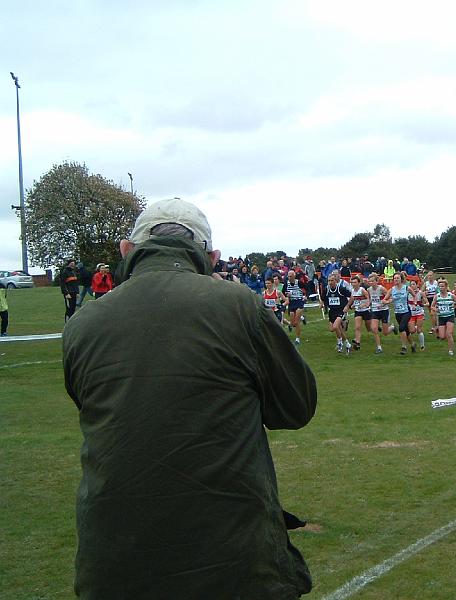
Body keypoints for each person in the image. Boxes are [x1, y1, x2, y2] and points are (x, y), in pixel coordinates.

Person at [62, 198, 317, 598]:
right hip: (233, 561)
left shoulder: (82, 322)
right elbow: (296, 408)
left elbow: (97, 409)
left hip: (112, 563)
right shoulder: (237, 304)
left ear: (127, 251)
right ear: (211, 257)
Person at [383, 272, 414, 354]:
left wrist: (414, 303)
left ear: (401, 279)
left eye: (398, 278)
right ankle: (413, 344)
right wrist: (389, 301)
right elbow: (384, 300)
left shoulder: (406, 288)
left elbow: (414, 295)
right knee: (406, 331)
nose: (396, 280)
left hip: (406, 312)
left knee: (401, 328)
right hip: (398, 313)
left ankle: (404, 347)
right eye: (395, 278)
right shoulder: (392, 290)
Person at [323, 270, 352, 354]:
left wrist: (347, 306)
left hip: (341, 310)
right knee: (333, 329)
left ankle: (340, 342)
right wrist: (322, 304)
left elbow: (352, 296)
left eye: (332, 280)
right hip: (332, 311)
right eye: (329, 280)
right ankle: (347, 343)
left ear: (335, 281)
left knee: (336, 326)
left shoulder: (340, 289)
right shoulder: (327, 289)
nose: (330, 282)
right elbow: (323, 298)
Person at [367, 273, 393, 354]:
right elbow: (371, 299)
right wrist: (367, 304)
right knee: (374, 329)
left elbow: (390, 297)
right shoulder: (369, 290)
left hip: (384, 311)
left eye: (372, 281)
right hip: (375, 311)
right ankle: (379, 347)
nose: (371, 283)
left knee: (385, 333)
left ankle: (392, 327)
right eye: (369, 281)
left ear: (376, 281)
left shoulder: (381, 288)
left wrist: (386, 302)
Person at [432, 278, 456, 356]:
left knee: (449, 334)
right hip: (441, 317)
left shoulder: (451, 295)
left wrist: (454, 305)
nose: (441, 288)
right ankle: (438, 329)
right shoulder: (437, 296)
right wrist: (436, 309)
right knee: (442, 336)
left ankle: (451, 350)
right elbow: (432, 306)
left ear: (446, 287)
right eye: (440, 286)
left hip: (450, 316)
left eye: (443, 286)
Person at [283, 269, 306, 346]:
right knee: (292, 323)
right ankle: (302, 317)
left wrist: (305, 296)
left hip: (299, 301)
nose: (289, 277)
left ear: (294, 276)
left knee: (296, 322)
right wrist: (287, 295)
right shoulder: (286, 283)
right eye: (288, 276)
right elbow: (284, 292)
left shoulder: (298, 282)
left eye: (291, 276)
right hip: (292, 303)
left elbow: (307, 288)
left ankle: (297, 339)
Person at [347, 274, 370, 351]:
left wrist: (366, 304)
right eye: (352, 282)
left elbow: (368, 298)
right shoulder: (353, 291)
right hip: (358, 311)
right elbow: (353, 299)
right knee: (357, 327)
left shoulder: (362, 290)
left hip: (366, 311)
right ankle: (358, 343)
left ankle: (388, 327)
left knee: (369, 329)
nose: (353, 284)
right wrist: (351, 305)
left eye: (355, 282)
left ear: (359, 283)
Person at [407, 279, 427, 351]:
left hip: (419, 313)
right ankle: (415, 327)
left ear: (417, 285)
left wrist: (423, 304)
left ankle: (422, 346)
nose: (412, 286)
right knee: (412, 331)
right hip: (411, 314)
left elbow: (427, 303)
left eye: (413, 284)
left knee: (419, 330)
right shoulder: (407, 293)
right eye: (411, 284)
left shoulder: (420, 293)